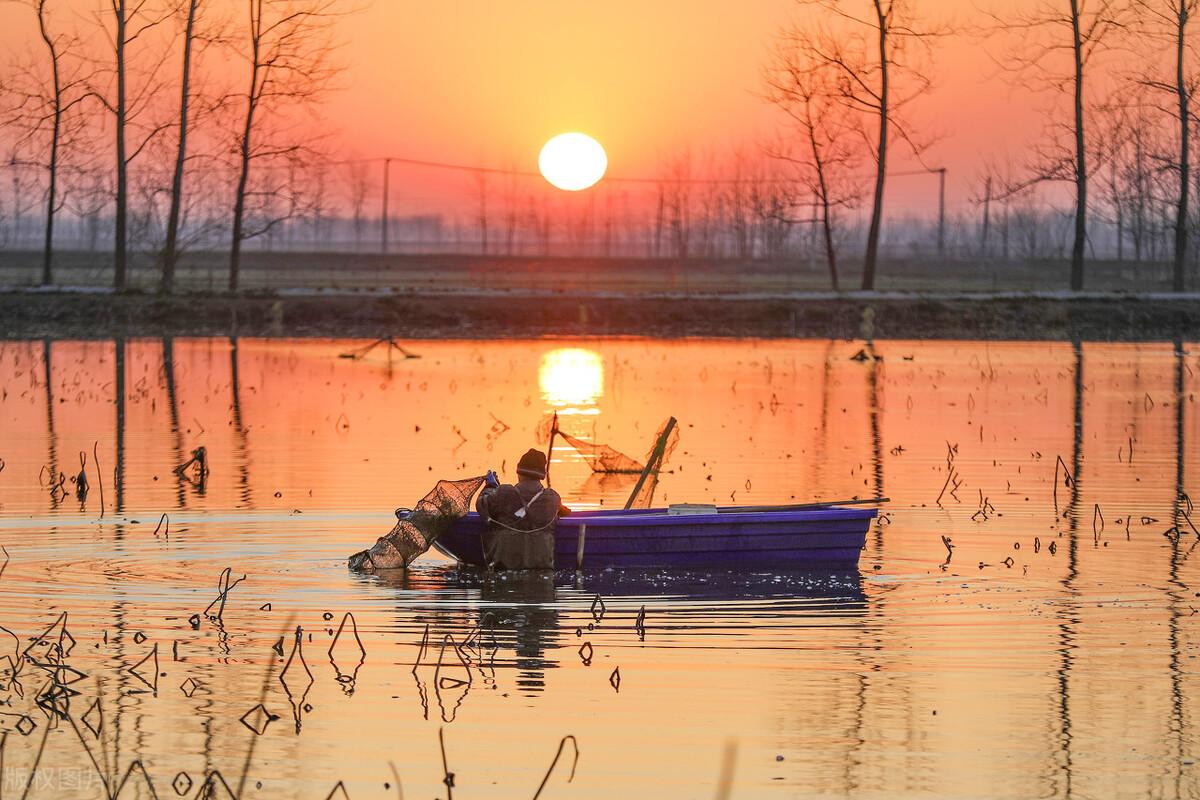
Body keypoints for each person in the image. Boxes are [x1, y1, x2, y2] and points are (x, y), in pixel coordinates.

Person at [476, 448, 569, 570]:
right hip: (541, 578)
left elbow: (482, 505)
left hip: (504, 573)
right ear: (542, 476)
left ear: (519, 473)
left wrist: (491, 486)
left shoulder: (504, 493)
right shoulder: (552, 498)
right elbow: (565, 512)